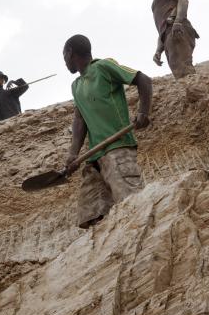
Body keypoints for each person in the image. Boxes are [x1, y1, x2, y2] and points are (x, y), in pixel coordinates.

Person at [63, 34, 152, 229]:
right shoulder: (76, 86)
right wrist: (73, 153)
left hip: (117, 149)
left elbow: (144, 80)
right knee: (92, 217)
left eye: (64, 55)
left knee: (134, 205)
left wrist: (143, 112)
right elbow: (80, 119)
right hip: (94, 158)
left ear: (70, 53)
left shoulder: (103, 66)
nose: (64, 61)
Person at [146, 0, 200, 80]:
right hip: (168, 35)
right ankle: (194, 95)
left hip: (176, 28)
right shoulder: (156, 0)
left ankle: (199, 95)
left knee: (184, 72)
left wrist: (178, 22)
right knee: (180, 73)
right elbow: (161, 28)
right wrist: (158, 49)